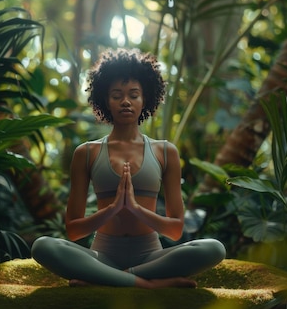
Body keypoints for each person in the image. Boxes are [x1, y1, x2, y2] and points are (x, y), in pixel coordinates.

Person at [31, 48, 226, 288]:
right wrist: (113, 208)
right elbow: (73, 231)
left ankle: (113, 278)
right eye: (117, 95)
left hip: (150, 257)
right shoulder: (86, 153)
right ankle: (147, 284)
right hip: (101, 256)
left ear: (145, 99)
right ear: (105, 100)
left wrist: (135, 208)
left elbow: (175, 231)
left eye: (134, 94)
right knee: (44, 245)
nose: (125, 101)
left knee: (214, 248)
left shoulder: (165, 152)